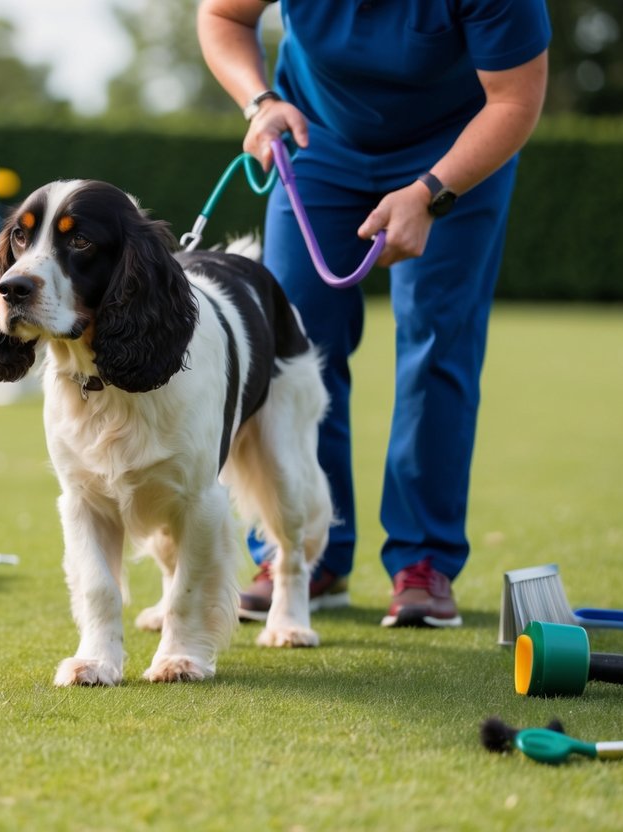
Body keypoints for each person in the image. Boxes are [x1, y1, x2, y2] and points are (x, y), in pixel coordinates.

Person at [197, 0, 551, 627]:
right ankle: (304, 554)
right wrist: (259, 101)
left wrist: (430, 192)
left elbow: (515, 101)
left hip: (457, 148)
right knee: (293, 351)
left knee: (439, 344)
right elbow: (223, 16)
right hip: (318, 141)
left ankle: (424, 564)